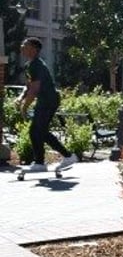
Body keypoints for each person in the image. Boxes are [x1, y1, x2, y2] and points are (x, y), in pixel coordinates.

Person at [15, 37, 78, 173]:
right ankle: (40, 163)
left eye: (25, 45)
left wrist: (24, 107)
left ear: (34, 49)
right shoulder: (29, 65)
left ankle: (68, 156)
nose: (22, 46)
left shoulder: (36, 65)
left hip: (49, 100)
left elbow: (35, 89)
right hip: (45, 101)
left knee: (40, 130)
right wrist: (20, 98)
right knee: (35, 131)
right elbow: (28, 86)